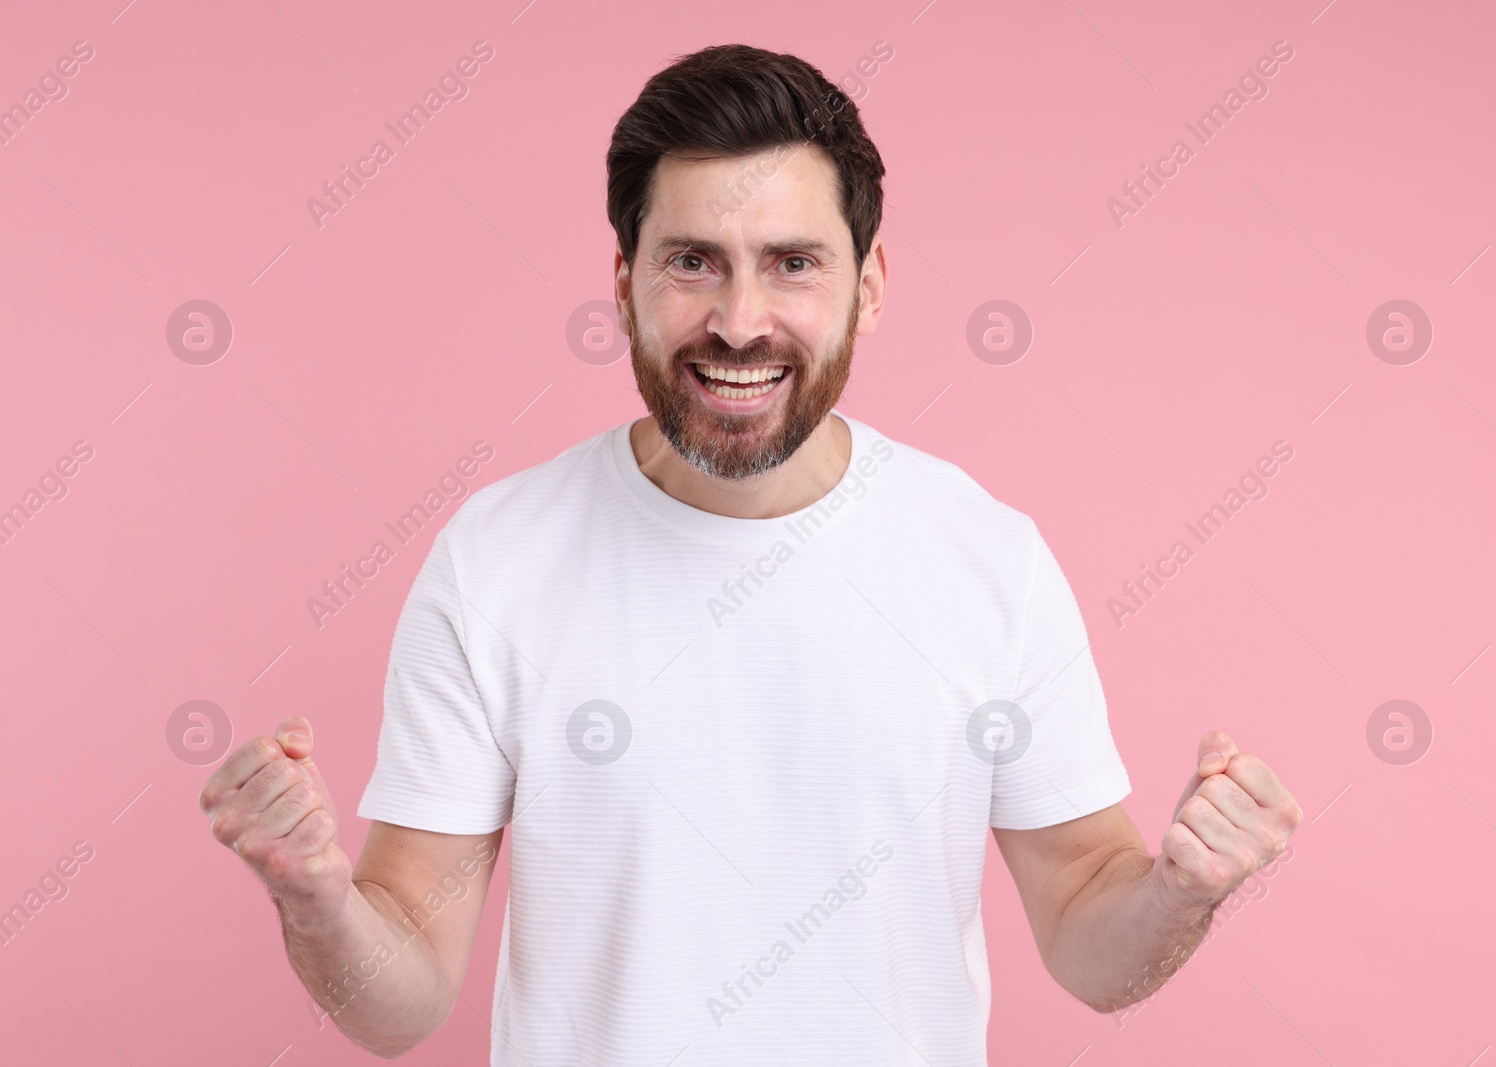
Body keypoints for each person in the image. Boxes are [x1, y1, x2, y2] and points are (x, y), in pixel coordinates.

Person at [198, 43, 1301, 1064]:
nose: (738, 319)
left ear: (866, 289)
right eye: (692, 260)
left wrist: (1180, 891)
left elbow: (1090, 939)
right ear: (623, 280)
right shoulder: (495, 559)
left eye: (791, 263)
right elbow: (402, 998)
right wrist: (315, 896)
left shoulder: (986, 559)